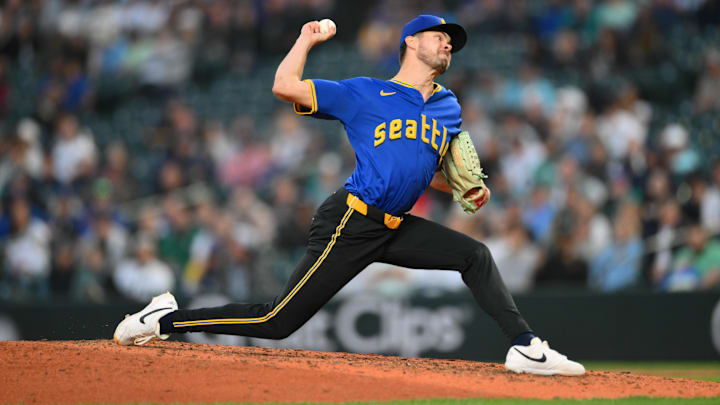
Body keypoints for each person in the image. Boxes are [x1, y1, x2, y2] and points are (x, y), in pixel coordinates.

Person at [114, 15, 584, 376]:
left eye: (452, 42)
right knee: (276, 321)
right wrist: (307, 40)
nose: (447, 44)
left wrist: (461, 187)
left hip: (396, 226)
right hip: (350, 220)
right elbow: (283, 86)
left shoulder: (447, 106)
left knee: (475, 255)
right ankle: (165, 319)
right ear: (411, 42)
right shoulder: (365, 93)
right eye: (439, 36)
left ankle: (525, 346)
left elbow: (428, 171)